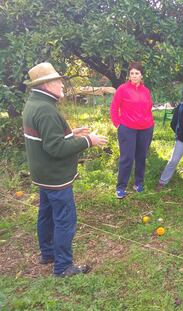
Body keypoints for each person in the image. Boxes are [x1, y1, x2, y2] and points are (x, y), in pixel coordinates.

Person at [22, 62, 108, 277]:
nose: (62, 84)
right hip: (55, 177)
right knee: (64, 220)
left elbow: (48, 138)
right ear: (47, 84)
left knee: (46, 215)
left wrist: (72, 133)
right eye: (58, 80)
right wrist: (88, 140)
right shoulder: (45, 109)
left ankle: (48, 254)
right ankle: (63, 267)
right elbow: (55, 148)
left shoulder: (34, 103)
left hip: (43, 174)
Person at [110, 61, 154, 199]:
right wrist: (118, 124)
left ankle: (138, 183)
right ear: (129, 75)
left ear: (141, 75)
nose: (134, 76)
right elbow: (113, 108)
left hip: (145, 129)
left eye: (137, 73)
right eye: (132, 74)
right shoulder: (122, 89)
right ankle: (121, 187)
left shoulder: (146, 91)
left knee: (141, 157)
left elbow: (148, 108)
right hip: (127, 129)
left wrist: (149, 123)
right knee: (127, 158)